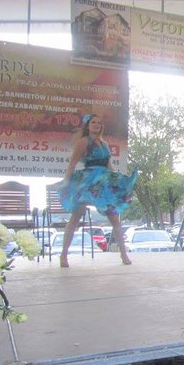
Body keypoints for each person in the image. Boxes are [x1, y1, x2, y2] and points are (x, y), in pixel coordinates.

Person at [57, 113, 138, 267]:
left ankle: (123, 254)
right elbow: (73, 163)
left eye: (99, 123)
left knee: (114, 217)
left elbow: (109, 165)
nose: (96, 125)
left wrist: (116, 179)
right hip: (88, 182)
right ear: (88, 125)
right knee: (76, 216)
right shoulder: (83, 142)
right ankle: (63, 255)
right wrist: (67, 181)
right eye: (93, 122)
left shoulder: (104, 144)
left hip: (104, 183)